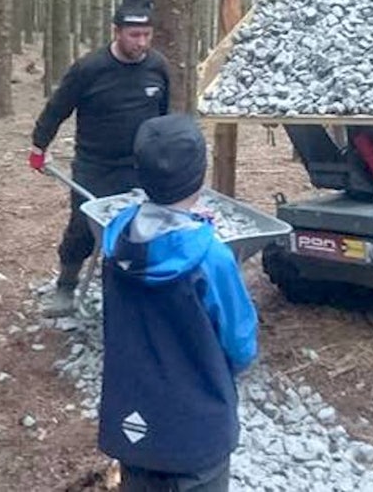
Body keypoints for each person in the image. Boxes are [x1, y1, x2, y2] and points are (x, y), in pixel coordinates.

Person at [97, 114, 258, 492]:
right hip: (196, 433)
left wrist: (187, 223)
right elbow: (241, 345)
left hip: (134, 422)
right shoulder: (211, 258)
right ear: (200, 174)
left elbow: (153, 236)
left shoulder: (114, 238)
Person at [28, 0, 171, 316]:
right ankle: (66, 286)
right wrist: (39, 145)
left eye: (147, 35)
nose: (141, 43)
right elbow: (57, 108)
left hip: (140, 167)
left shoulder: (158, 68)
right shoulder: (90, 69)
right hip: (95, 167)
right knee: (82, 227)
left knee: (141, 229)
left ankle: (132, 289)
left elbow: (163, 117)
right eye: (134, 35)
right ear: (117, 31)